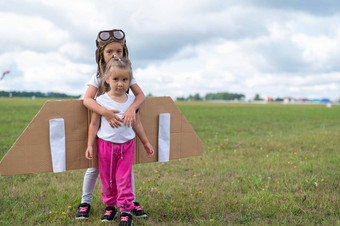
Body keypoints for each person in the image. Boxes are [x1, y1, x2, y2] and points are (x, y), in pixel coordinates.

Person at [76, 29, 154, 220]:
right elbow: (87, 100)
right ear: (101, 54)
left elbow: (140, 95)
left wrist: (131, 109)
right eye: (110, 51)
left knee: (125, 172)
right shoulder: (97, 77)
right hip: (104, 137)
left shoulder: (127, 75)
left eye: (119, 51)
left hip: (124, 138)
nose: (115, 55)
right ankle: (86, 202)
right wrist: (105, 113)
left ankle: (129, 202)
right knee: (95, 169)